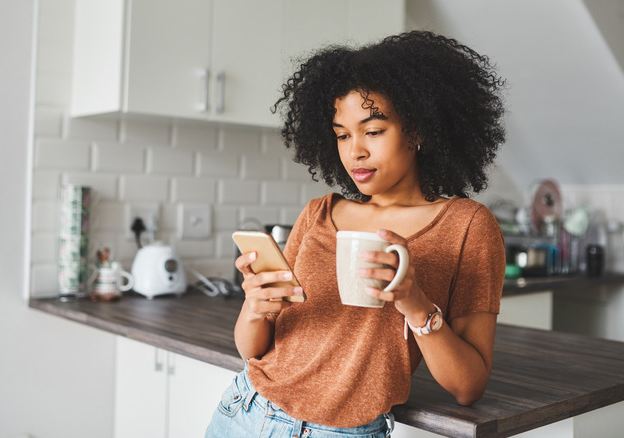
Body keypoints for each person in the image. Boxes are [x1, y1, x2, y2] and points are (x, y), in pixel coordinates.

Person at [206, 30, 507, 438]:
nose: (355, 152)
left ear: (417, 130)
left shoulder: (467, 226)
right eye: (343, 134)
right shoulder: (318, 214)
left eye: (374, 131)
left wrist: (414, 303)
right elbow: (253, 350)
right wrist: (256, 306)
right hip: (244, 411)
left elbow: (469, 386)